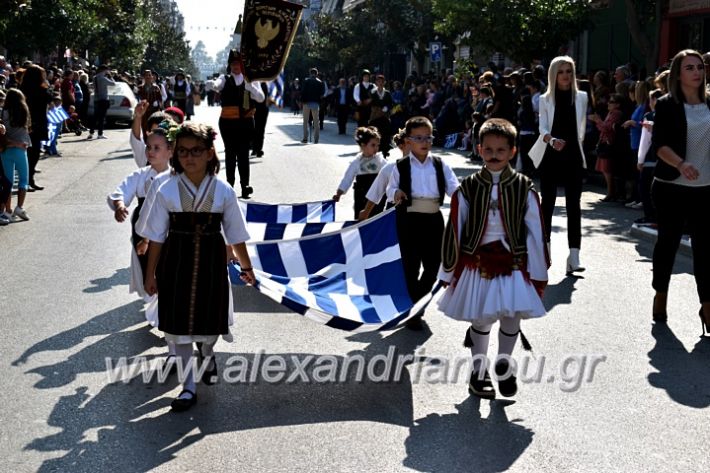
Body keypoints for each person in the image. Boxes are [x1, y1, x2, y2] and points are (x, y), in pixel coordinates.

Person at [142, 122, 255, 412]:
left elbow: (236, 235)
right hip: (175, 262)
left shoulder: (223, 191)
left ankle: (206, 351)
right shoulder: (166, 189)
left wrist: (247, 268)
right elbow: (155, 236)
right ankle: (188, 387)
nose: (189, 157)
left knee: (207, 325)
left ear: (209, 153)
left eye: (196, 151)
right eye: (182, 151)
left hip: (211, 262)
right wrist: (150, 273)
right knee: (177, 328)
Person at [438, 118, 548, 398]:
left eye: (501, 150)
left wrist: (538, 272)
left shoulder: (524, 188)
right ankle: (477, 373)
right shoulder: (469, 188)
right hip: (478, 264)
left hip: (512, 265)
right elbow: (455, 228)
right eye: (488, 149)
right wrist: (448, 271)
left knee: (511, 317)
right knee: (482, 318)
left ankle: (504, 366)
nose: (494, 155)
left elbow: (535, 231)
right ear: (479, 149)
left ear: (512, 151)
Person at [650, 49, 710, 332]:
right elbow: (659, 145)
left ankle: (708, 305)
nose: (697, 72)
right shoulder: (666, 105)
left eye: (699, 67)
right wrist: (681, 163)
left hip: (705, 189)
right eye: (690, 68)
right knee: (668, 244)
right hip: (671, 187)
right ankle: (661, 293)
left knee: (706, 250)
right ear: (678, 73)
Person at [387, 116, 460, 330]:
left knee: (434, 266)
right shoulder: (400, 166)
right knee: (410, 267)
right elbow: (390, 190)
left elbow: (454, 188)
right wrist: (396, 192)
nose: (424, 142)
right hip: (408, 221)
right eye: (419, 138)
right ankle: (414, 311)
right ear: (408, 141)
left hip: (433, 221)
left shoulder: (440, 164)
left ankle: (417, 301)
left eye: (428, 137)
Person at [527, 56, 588, 275]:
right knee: (548, 204)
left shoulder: (582, 97)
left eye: (569, 71)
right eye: (561, 72)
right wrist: (552, 140)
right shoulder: (545, 99)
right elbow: (542, 128)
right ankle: (544, 251)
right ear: (554, 74)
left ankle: (574, 255)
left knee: (574, 205)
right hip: (551, 155)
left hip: (572, 155)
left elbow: (580, 129)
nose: (565, 76)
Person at [108, 119, 176, 305]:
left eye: (156, 148)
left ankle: (166, 303)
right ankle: (153, 296)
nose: (150, 152)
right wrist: (120, 205)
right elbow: (122, 190)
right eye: (148, 147)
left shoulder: (177, 176)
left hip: (171, 224)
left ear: (170, 151)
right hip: (144, 224)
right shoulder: (141, 175)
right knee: (147, 264)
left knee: (168, 264)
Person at [213, 49, 265, 198]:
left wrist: (251, 87)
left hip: (246, 123)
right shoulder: (225, 78)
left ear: (243, 65)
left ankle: (245, 185)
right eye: (233, 63)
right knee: (230, 154)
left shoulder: (251, 79)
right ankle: (230, 186)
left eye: (239, 63)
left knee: (243, 155)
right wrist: (213, 84)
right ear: (230, 65)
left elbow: (261, 98)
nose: (236, 66)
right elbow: (217, 85)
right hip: (228, 123)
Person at [332, 126, 387, 219]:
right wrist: (339, 193)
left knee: (376, 217)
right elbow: (347, 178)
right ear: (363, 145)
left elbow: (389, 173)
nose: (376, 148)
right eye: (373, 145)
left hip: (377, 195)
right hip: (362, 194)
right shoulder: (357, 162)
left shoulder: (380, 160)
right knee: (361, 217)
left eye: (377, 145)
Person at [358, 128, 410, 221]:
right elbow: (375, 192)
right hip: (394, 217)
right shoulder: (390, 168)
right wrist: (366, 212)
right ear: (402, 146)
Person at [19, 64, 53, 191]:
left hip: (31, 122)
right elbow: (50, 99)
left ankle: (29, 180)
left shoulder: (23, 88)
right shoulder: (40, 89)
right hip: (33, 122)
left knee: (33, 152)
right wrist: (46, 86)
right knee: (32, 153)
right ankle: (27, 180)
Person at [0, 88, 32, 221]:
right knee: (23, 180)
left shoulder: (3, 112)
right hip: (21, 148)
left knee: (8, 181)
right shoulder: (24, 112)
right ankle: (19, 207)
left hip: (5, 148)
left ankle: (7, 210)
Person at [88, 65, 116, 140]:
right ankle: (100, 134)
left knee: (95, 117)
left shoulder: (95, 78)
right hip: (103, 99)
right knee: (101, 117)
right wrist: (110, 76)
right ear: (104, 70)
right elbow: (113, 84)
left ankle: (91, 132)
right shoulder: (104, 78)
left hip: (96, 99)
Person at [369, 74, 394, 157]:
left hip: (384, 117)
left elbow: (391, 104)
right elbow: (370, 103)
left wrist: (387, 107)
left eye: (382, 81)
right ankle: (374, 150)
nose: (380, 83)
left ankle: (385, 150)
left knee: (385, 135)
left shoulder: (387, 93)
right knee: (375, 134)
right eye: (378, 81)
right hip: (375, 117)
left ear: (384, 83)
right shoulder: (372, 92)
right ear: (376, 82)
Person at [137, 70, 164, 137]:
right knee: (145, 126)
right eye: (146, 75)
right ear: (143, 77)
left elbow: (160, 99)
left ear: (152, 77)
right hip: (144, 111)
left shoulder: (156, 87)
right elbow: (136, 98)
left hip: (154, 111)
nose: (148, 77)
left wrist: (158, 104)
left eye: (149, 75)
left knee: (154, 126)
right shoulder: (140, 88)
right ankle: (146, 142)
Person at [301, 68, 323, 144]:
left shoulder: (306, 81)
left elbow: (303, 92)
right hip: (316, 103)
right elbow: (321, 94)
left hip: (306, 103)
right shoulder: (320, 82)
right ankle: (316, 139)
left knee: (305, 121)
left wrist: (302, 101)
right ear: (317, 74)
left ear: (310, 73)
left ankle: (305, 138)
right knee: (316, 122)